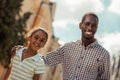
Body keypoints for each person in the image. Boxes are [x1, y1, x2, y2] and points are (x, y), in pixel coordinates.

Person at [43, 12, 110, 80]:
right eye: (87, 24)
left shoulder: (104, 54)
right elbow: (45, 60)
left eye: (94, 26)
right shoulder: (67, 48)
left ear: (96, 29)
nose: (90, 28)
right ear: (80, 25)